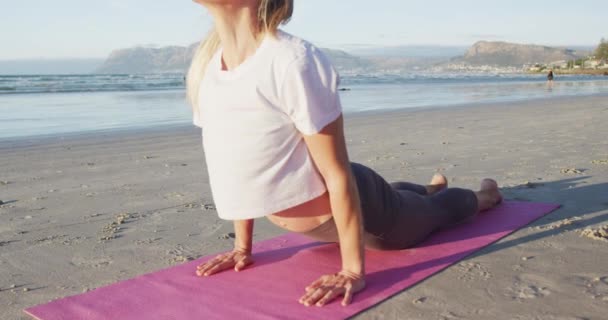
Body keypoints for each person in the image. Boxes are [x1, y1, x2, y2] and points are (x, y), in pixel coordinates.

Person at [188, 0, 503, 308]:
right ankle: (430, 186)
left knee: (439, 211)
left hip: (370, 213)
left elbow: (337, 174)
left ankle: (486, 195)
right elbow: (238, 162)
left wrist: (353, 270)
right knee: (403, 195)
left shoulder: (292, 61)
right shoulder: (208, 68)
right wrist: (242, 247)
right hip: (337, 212)